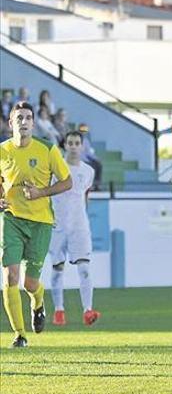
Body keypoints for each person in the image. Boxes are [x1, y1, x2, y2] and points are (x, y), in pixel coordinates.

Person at [0, 102, 73, 348]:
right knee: (10, 276)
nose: (24, 121)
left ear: (33, 123)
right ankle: (20, 335)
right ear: (11, 123)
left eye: (28, 117)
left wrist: (41, 192)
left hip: (40, 223)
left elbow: (67, 182)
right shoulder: (2, 151)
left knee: (30, 283)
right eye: (19, 117)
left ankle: (38, 302)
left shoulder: (48, 149)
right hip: (11, 219)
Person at [49, 131, 100, 326]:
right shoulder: (56, 167)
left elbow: (84, 196)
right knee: (57, 269)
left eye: (77, 143)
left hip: (79, 225)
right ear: (65, 145)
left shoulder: (88, 171)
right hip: (58, 224)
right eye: (70, 143)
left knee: (85, 268)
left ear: (82, 146)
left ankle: (88, 310)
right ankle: (59, 310)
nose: (73, 146)